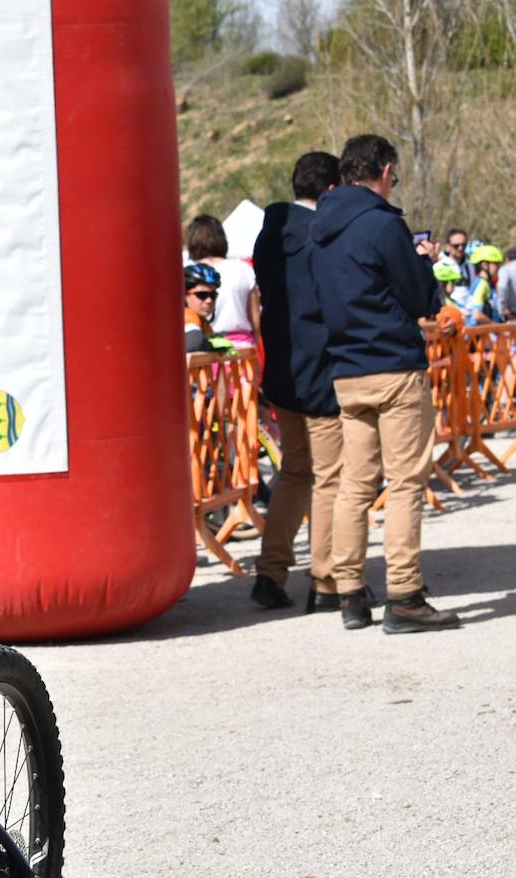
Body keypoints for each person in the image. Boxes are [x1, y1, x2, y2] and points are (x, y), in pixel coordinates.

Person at [312, 134, 458, 634]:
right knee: (404, 484)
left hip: (347, 370)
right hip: (394, 367)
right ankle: (404, 594)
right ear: (385, 170)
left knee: (353, 486)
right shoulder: (381, 223)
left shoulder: (321, 228)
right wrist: (422, 264)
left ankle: (350, 591)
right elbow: (418, 296)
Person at [249, 151, 347, 614]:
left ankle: (270, 573)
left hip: (283, 372)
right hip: (322, 371)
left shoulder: (271, 234)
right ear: (331, 190)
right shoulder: (323, 235)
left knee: (292, 474)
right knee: (329, 478)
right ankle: (324, 579)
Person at [187, 214, 260, 349]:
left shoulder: (188, 274)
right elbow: (256, 322)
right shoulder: (243, 269)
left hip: (202, 354)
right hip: (243, 353)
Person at [183, 263, 222, 356]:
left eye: (213, 295)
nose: (209, 300)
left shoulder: (202, 320)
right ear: (184, 295)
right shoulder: (187, 317)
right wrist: (210, 345)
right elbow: (195, 341)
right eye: (202, 295)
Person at [465, 245, 504, 324]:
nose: (498, 267)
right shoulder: (482, 284)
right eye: (496, 263)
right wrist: (496, 327)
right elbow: (477, 315)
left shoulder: (486, 282)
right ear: (484, 265)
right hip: (479, 333)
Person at [496, 247, 516, 322]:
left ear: (507, 259)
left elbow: (502, 287)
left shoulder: (506, 269)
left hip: (512, 316)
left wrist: (503, 309)